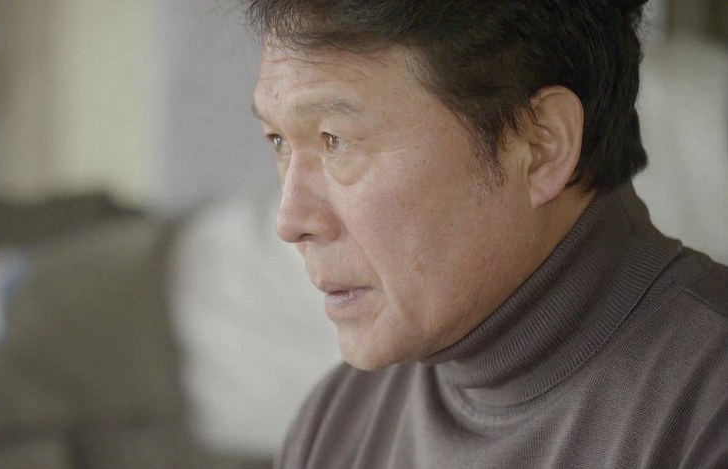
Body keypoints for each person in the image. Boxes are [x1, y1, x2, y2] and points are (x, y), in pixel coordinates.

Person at [246, 0, 728, 467]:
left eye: (336, 140)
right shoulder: (336, 425)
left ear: (540, 144)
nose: (290, 221)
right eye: (278, 140)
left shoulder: (706, 414)